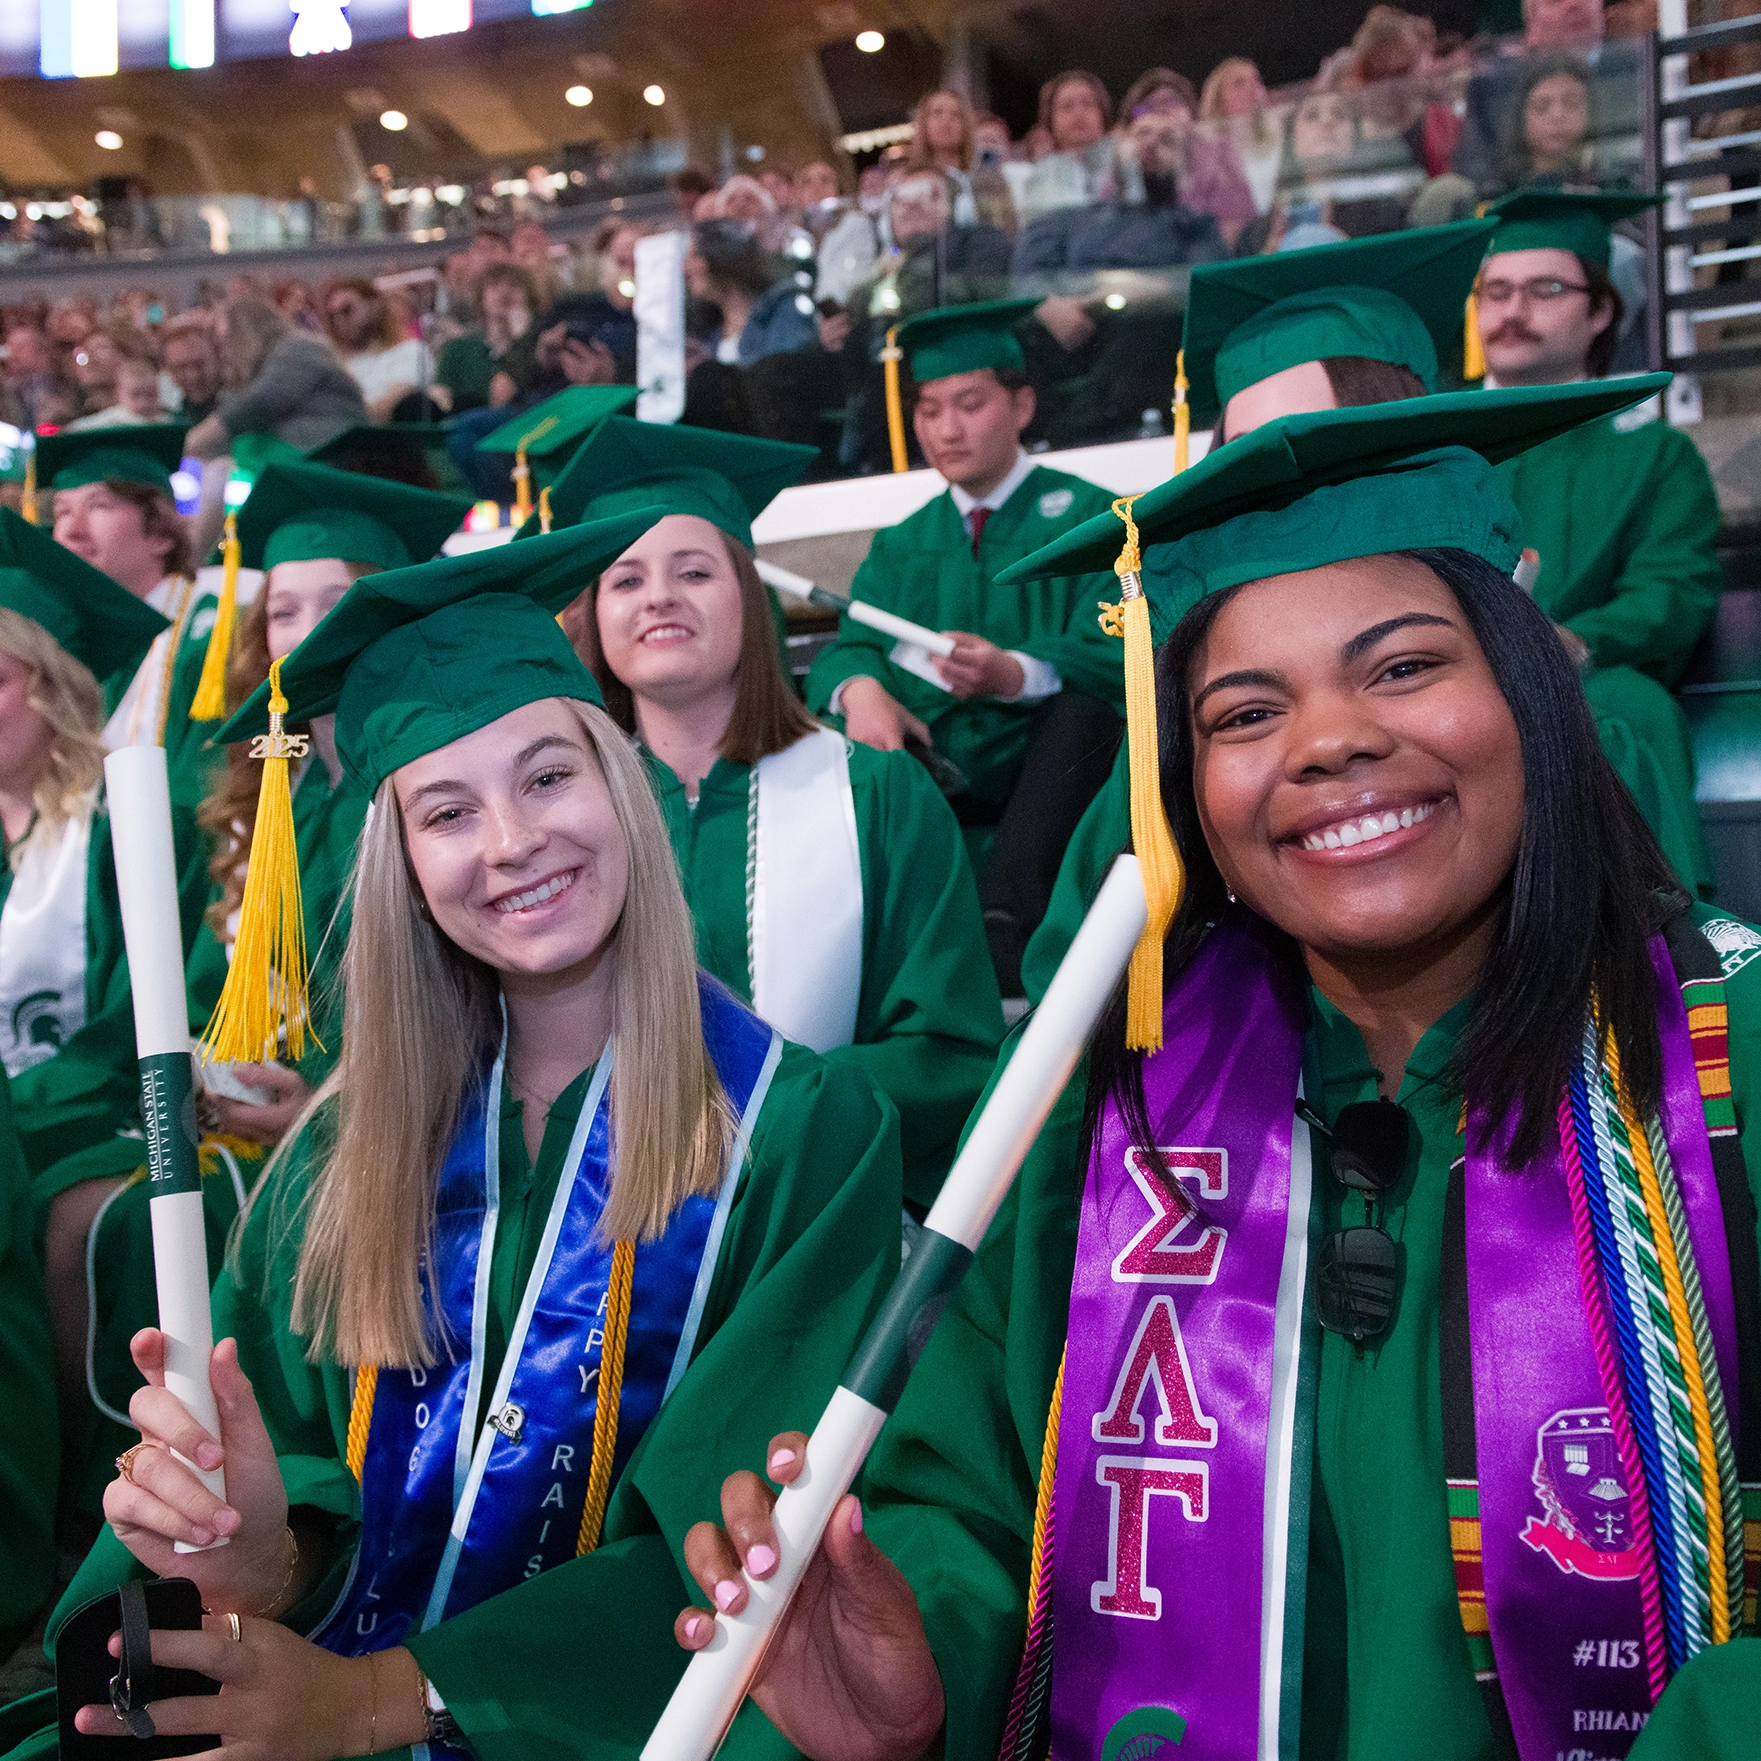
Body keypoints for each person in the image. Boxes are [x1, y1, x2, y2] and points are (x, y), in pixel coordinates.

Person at [676, 381, 1761, 1761]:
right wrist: (924, 1672)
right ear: (1185, 785)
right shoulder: (1106, 1112)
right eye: (1244, 713)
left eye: (1404, 666)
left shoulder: (1730, 1059)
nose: (1326, 742)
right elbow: (969, 1500)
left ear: (1533, 691)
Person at [4, 514, 901, 1761]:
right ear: (403, 866)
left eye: (547, 776)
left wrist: (385, 1702)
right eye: (444, 811)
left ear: (622, 786)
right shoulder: (338, 1160)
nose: (512, 843)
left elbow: (753, 1541)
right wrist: (261, 1555)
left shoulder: (800, 1132)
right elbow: (287, 1476)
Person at [53, 459, 472, 1527]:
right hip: (247, 1113)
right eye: (283, 607)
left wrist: (318, 1098)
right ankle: (128, 1500)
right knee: (78, 1201)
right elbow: (204, 992)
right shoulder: (266, 792)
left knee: (109, 1221)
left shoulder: (419, 796)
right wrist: (192, 1069)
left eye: (336, 601)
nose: (304, 628)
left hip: (380, 1122)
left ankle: (259, 1505)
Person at [1022, 222, 1501, 1000]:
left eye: (1405, 668)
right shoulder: (1172, 757)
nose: (1270, 480)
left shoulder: (1538, 712)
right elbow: (1073, 1009)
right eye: (1239, 452)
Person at [546, 416, 1005, 1205]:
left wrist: (761, 1104)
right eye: (625, 579)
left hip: (822, 1219)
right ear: (594, 616)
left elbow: (951, 1051)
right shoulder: (562, 822)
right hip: (600, 1238)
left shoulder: (877, 794)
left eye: (693, 572)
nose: (658, 595)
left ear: (747, 596)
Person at [807, 300, 1124, 994]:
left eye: (969, 404)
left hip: (1052, 780)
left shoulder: (1090, 517)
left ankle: (1006, 930)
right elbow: (849, 646)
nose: (944, 429)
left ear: (1022, 404)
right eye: (927, 409)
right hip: (936, 770)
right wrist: (861, 690)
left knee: (1082, 717)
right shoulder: (901, 544)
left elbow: (1123, 645)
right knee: (843, 730)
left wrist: (1014, 673)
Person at [1476, 188, 1720, 900]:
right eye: (1494, 291)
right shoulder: (1427, 444)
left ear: (1601, 309)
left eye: (1543, 289)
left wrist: (1572, 642)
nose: (1511, 311)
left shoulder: (1652, 455)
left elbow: (1669, 593)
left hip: (1582, 677)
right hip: (1434, 676)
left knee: (1633, 709)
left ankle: (1668, 959)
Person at [38, 425, 221, 813]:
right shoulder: (68, 646)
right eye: (62, 511)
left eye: (98, 506)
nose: (70, 530)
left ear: (161, 533)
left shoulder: (210, 632)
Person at [1010, 104, 1226, 275]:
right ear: (1119, 149)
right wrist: (1050, 305)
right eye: (1143, 133)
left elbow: (1202, 288)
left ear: (1184, 165)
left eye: (1167, 140)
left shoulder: (1198, 228)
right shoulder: (1072, 218)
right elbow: (1028, 268)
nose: (1151, 143)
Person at [1453, 0, 1638, 192]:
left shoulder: (1638, 71)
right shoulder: (1491, 89)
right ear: (1532, 16)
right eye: (1556, 1)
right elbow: (1477, 181)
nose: (1574, 5)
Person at [184, 296, 366, 464]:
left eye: (225, 341)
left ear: (245, 332)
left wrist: (208, 431)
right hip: (300, 453)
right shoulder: (253, 371)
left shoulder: (298, 348)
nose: (223, 351)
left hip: (334, 448)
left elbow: (264, 402)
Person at [322, 277, 437, 423]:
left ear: (373, 304)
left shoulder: (410, 351)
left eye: (347, 309)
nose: (339, 321)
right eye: (332, 316)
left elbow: (392, 406)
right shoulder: (339, 364)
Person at [433, 262, 543, 414]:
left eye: (514, 285)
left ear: (529, 297)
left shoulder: (540, 346)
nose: (504, 291)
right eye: (494, 285)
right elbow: (440, 395)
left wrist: (520, 338)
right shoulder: (458, 348)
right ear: (481, 298)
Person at [1015, 70, 1116, 223]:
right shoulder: (1039, 177)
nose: (1079, 113)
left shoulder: (1126, 165)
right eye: (1067, 106)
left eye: (1088, 104)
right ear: (1051, 120)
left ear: (1103, 114)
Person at [1493, 55, 1598, 191]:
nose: (1557, 115)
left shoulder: (1613, 183)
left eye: (1571, 104)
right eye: (1542, 106)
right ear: (1521, 118)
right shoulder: (1498, 192)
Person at [1199, 57, 1284, 215]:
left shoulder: (1282, 138)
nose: (1252, 88)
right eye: (1239, 83)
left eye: (1256, 80)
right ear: (1219, 99)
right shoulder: (1206, 154)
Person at [160, 315, 222, 425]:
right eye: (181, 368)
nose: (193, 375)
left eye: (200, 364)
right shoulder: (166, 419)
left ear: (217, 358)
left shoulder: (242, 410)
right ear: (169, 370)